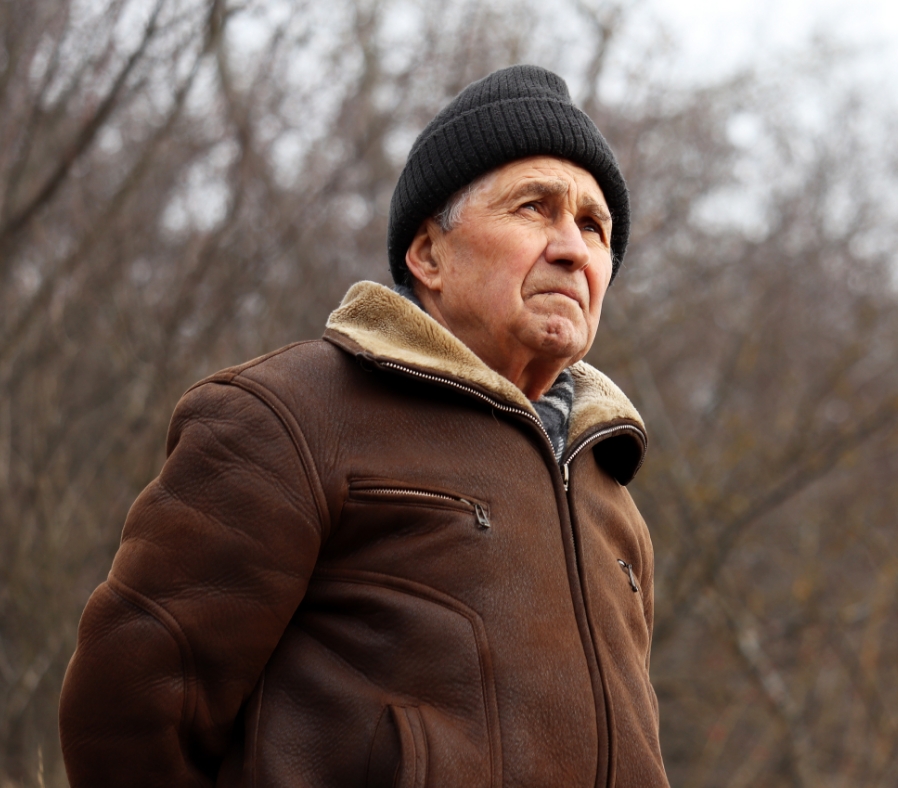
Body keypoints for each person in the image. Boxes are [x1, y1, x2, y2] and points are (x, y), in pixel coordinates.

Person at [58, 64, 668, 788]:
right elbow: (127, 706)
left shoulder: (611, 498)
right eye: (534, 207)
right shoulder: (289, 416)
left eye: (594, 226)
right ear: (427, 254)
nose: (573, 248)